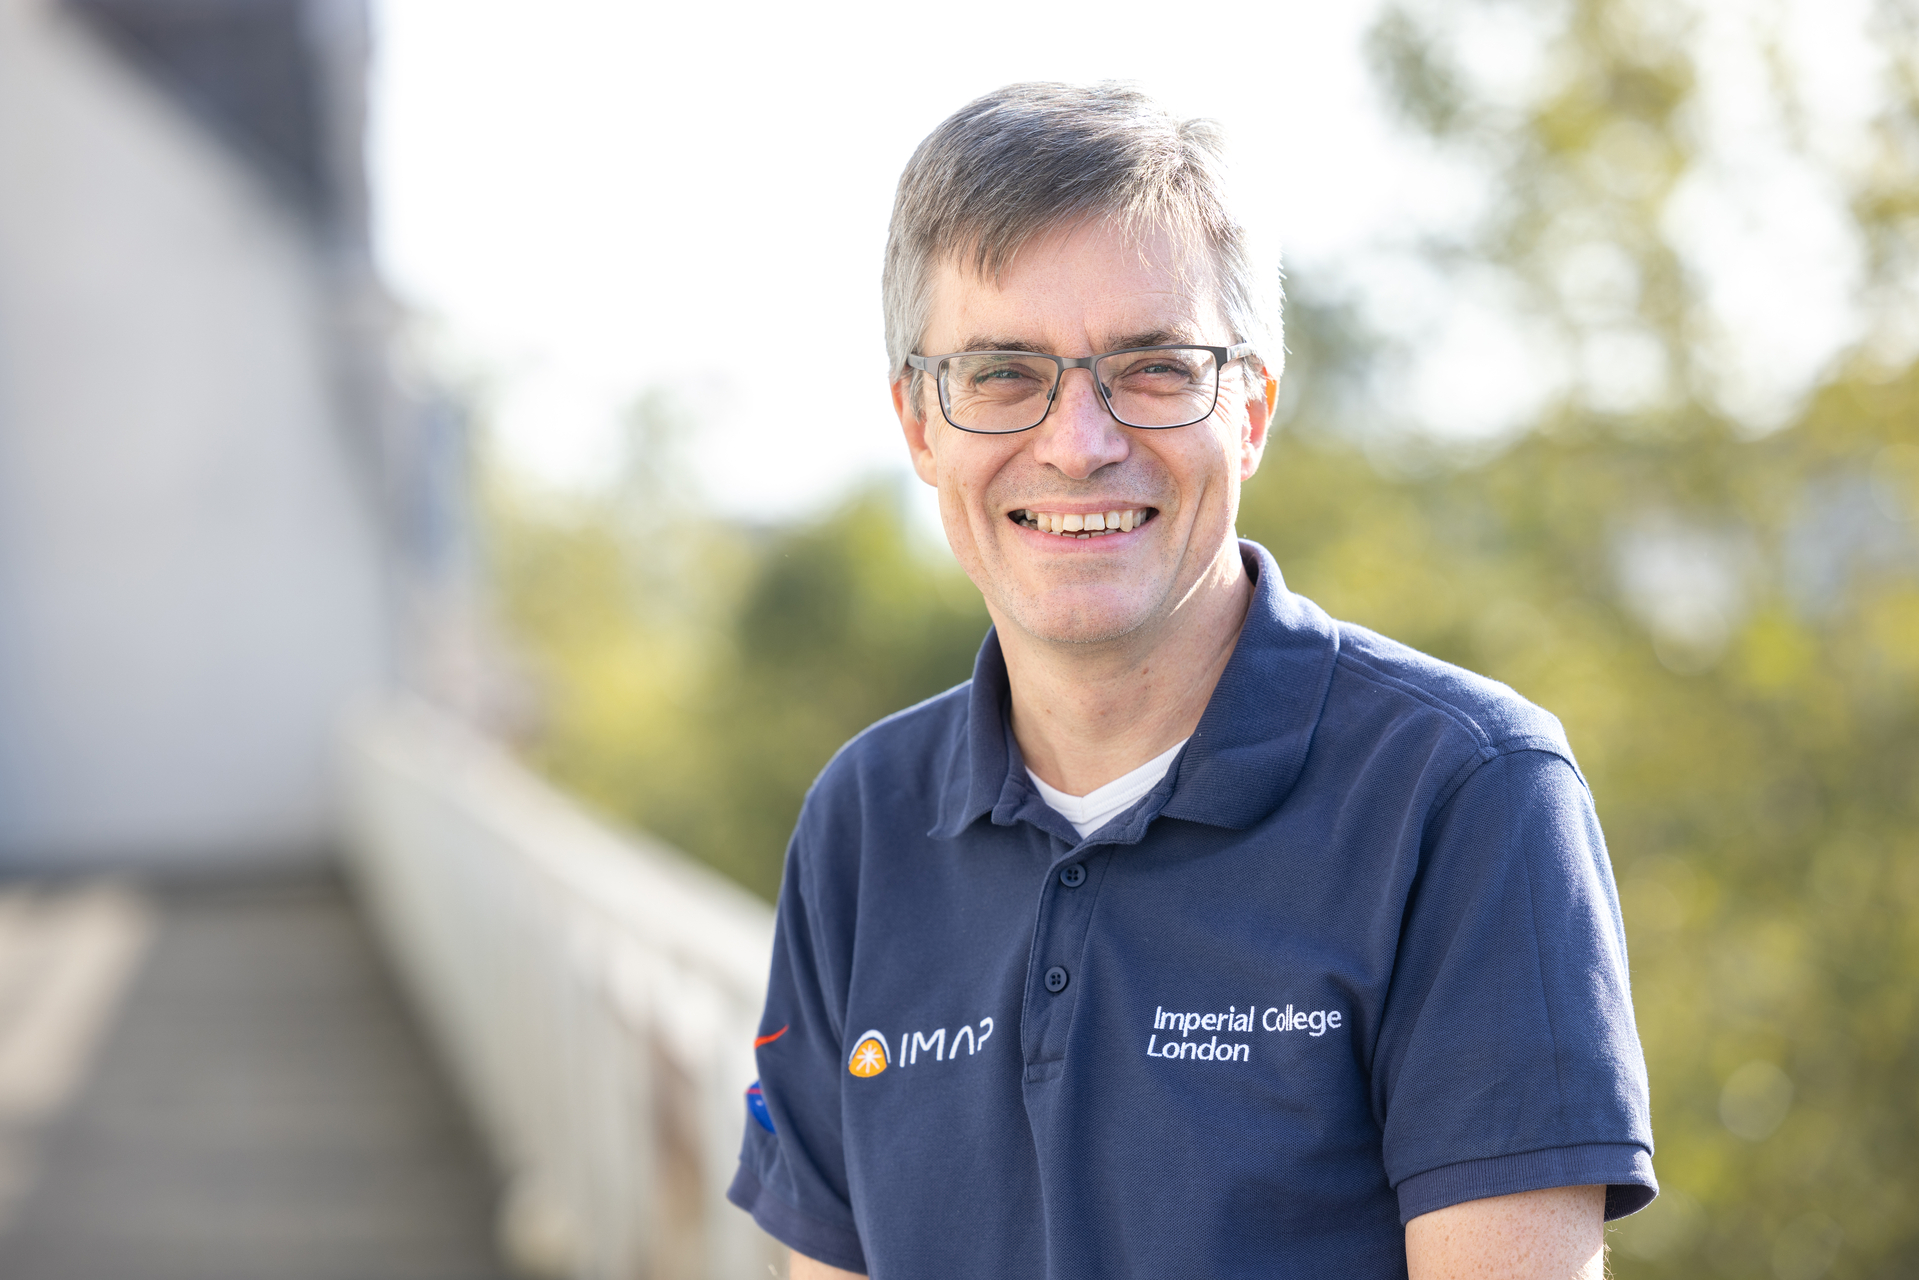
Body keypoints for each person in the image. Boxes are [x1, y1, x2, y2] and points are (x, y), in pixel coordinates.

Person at [727, 82, 1655, 1280]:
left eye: (1155, 367)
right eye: (1002, 372)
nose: (1079, 442)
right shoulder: (860, 823)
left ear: (1250, 409)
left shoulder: (1464, 796)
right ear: (918, 424)